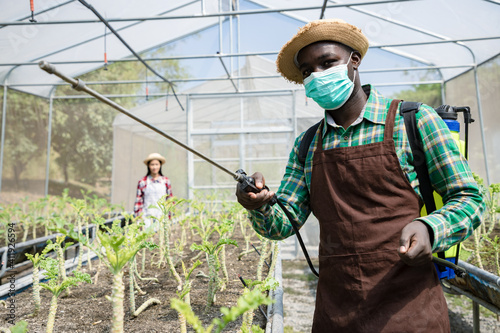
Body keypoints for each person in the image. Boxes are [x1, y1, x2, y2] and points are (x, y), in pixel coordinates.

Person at [235, 19, 484, 332]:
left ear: (355, 60)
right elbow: (285, 224)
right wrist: (258, 204)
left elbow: (469, 197)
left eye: (328, 63)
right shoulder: (308, 144)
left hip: (410, 309)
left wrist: (430, 228)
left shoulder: (413, 121)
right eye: (308, 72)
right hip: (338, 311)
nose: (318, 76)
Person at [134, 152, 173, 230]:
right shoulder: (143, 182)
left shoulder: (165, 181)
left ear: (160, 165)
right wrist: (138, 219)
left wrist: (170, 216)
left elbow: (170, 200)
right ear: (148, 166)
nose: (154, 167)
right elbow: (138, 202)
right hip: (147, 217)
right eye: (152, 164)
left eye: (156, 164)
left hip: (161, 217)